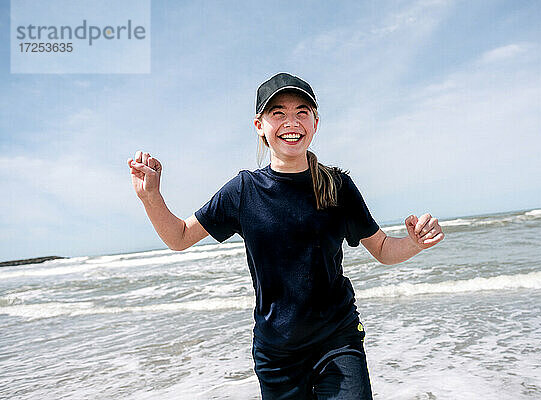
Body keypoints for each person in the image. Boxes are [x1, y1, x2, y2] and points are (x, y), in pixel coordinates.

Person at [127, 72, 444, 399]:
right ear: (259, 125)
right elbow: (178, 237)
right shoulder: (243, 191)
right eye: (278, 113)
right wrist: (150, 197)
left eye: (301, 113)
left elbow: (382, 249)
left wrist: (414, 243)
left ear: (315, 123)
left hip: (337, 340)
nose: (291, 122)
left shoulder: (338, 187)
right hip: (277, 355)